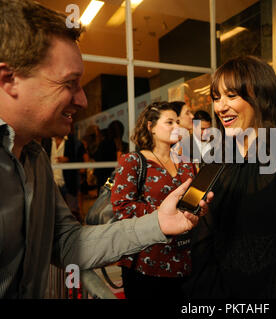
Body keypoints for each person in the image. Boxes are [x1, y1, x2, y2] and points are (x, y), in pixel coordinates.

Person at [0, 0, 211, 298]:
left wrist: (159, 223)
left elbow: (67, 242)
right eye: (70, 83)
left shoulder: (35, 157)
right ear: (9, 80)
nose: (83, 100)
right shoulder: (133, 161)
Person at [183, 56, 276, 298]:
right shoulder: (216, 156)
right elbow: (200, 236)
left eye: (231, 96)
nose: (220, 107)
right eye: (217, 98)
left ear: (261, 96)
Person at [111, 102, 197, 299]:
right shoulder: (134, 161)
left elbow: (192, 201)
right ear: (151, 127)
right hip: (144, 262)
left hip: (183, 259)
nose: (177, 127)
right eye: (169, 122)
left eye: (177, 122)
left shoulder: (186, 163)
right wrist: (162, 213)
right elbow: (122, 207)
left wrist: (199, 206)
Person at [41, 132, 87, 222]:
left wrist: (68, 160)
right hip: (52, 182)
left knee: (73, 212)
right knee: (55, 213)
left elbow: (81, 160)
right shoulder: (46, 141)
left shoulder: (73, 141)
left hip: (69, 183)